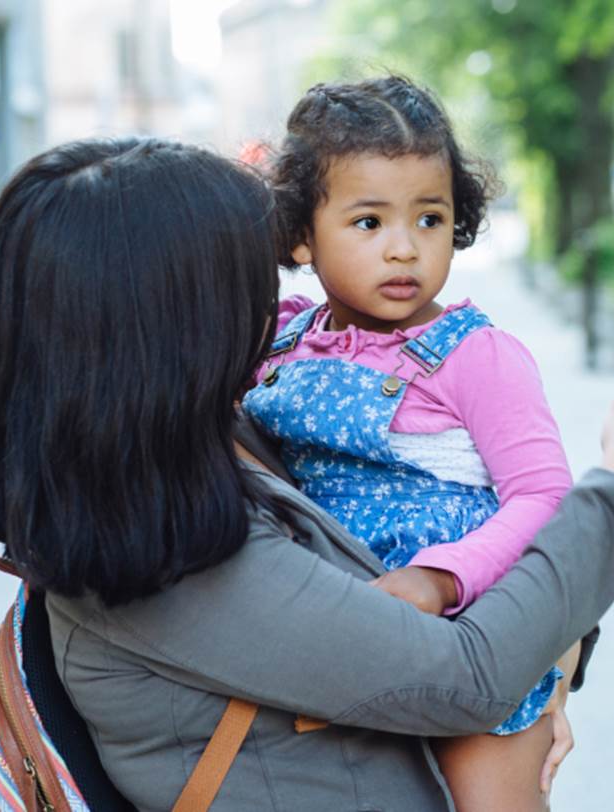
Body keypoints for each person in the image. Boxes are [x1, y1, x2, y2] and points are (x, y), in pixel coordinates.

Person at [0, 136, 614, 811]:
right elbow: (470, 678)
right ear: (170, 331)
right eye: (247, 284)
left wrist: (555, 655)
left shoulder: (186, 459)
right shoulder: (163, 560)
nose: (273, 306)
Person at [240, 75, 580, 809]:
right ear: (302, 232)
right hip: (348, 636)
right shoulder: (284, 339)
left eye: (429, 219)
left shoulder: (475, 354)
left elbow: (547, 498)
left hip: (473, 635)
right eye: (369, 223)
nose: (404, 250)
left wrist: (440, 579)